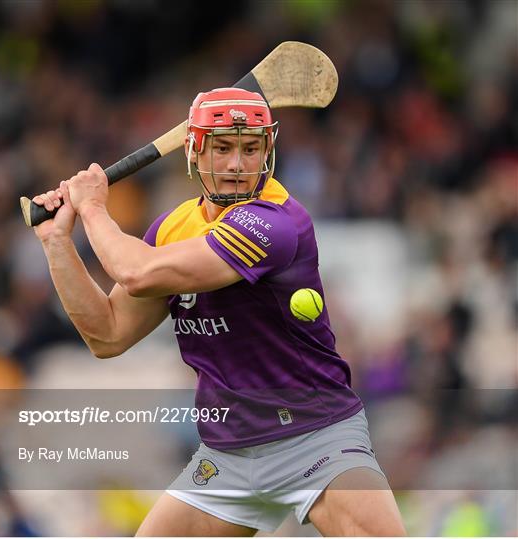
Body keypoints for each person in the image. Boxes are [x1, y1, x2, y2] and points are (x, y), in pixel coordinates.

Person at [32, 87, 406, 536]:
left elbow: (138, 274)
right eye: (223, 148)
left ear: (268, 150)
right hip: (226, 455)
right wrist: (57, 243)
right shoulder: (172, 228)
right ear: (195, 151)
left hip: (315, 438)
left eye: (251, 149)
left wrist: (92, 208)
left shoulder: (274, 222)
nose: (236, 165)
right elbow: (107, 334)